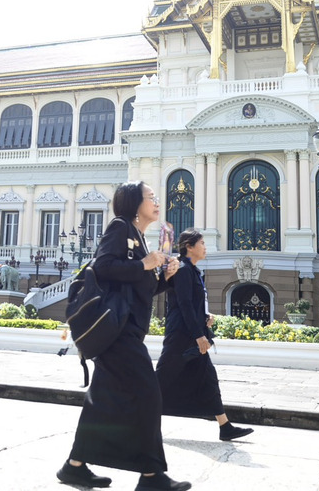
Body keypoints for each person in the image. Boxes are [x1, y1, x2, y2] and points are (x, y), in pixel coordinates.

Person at [57, 181, 190, 491]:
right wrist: (144, 264)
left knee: (103, 399)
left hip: (126, 328)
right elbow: (103, 266)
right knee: (148, 394)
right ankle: (152, 475)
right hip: (117, 330)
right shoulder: (120, 227)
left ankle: (74, 466)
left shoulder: (140, 238)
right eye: (150, 197)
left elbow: (137, 287)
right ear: (134, 203)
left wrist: (165, 278)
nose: (157, 202)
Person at [156, 229, 253, 442]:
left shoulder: (192, 271)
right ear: (189, 247)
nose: (205, 247)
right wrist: (199, 335)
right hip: (180, 336)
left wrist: (205, 316)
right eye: (202, 243)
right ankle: (133, 419)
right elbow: (184, 305)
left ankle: (225, 426)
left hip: (192, 333)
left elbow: (192, 304)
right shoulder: (182, 269)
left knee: (209, 378)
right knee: (161, 379)